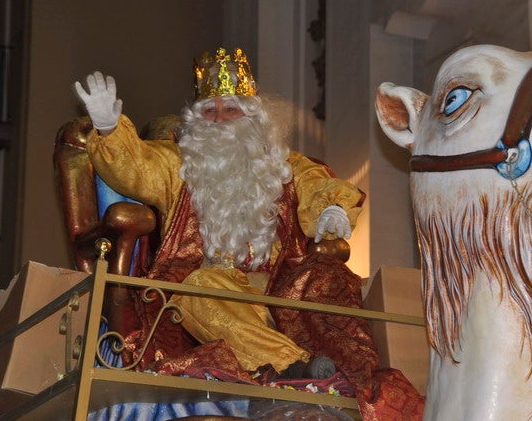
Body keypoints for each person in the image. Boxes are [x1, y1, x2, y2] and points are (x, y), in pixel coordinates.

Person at [74, 47, 424, 419]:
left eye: (231, 109)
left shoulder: (284, 166)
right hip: (215, 293)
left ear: (253, 117)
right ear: (196, 122)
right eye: (209, 111)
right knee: (197, 289)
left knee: (326, 274)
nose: (220, 119)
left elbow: (318, 185)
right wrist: (109, 128)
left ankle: (315, 368)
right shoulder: (178, 164)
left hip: (281, 291)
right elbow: (135, 168)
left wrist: (333, 210)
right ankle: (296, 367)